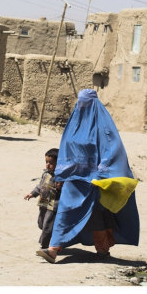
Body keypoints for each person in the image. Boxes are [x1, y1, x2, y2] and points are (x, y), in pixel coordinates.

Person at [36, 89, 140, 264]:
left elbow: (113, 149)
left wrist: (101, 172)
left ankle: (102, 250)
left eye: (86, 103)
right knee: (66, 213)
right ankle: (53, 250)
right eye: (80, 102)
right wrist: (61, 175)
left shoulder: (104, 127)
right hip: (73, 180)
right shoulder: (74, 125)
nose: (82, 106)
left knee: (95, 218)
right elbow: (66, 151)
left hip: (93, 182)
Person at [24, 148, 62, 249]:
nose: (47, 165)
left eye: (51, 163)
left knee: (47, 226)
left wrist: (60, 187)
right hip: (43, 203)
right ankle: (51, 240)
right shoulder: (45, 174)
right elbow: (40, 186)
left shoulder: (60, 177)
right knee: (41, 223)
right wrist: (32, 194)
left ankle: (45, 246)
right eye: (46, 162)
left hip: (53, 205)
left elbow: (65, 191)